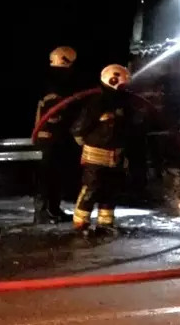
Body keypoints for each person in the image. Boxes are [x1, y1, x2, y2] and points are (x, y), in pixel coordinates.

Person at [71, 64, 134, 236]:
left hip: (116, 154)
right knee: (92, 188)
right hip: (96, 155)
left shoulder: (124, 103)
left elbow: (130, 127)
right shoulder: (97, 102)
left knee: (110, 189)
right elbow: (78, 128)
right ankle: (81, 222)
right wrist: (89, 144)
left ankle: (105, 222)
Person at [32, 46, 79, 224]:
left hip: (54, 137)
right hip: (48, 138)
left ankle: (53, 209)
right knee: (47, 176)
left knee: (55, 176)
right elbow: (54, 114)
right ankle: (43, 213)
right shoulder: (55, 83)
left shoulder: (54, 81)